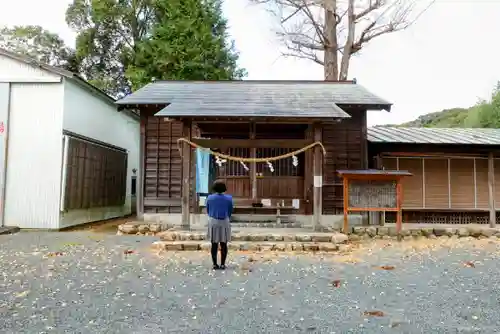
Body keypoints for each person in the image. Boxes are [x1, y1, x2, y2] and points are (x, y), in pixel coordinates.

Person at [206, 180, 233, 270]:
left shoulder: (209, 198)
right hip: (224, 221)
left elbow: (208, 210)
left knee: (214, 244)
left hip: (213, 220)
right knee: (223, 244)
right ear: (224, 188)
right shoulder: (229, 198)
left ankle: (214, 264)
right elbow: (230, 211)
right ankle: (222, 264)